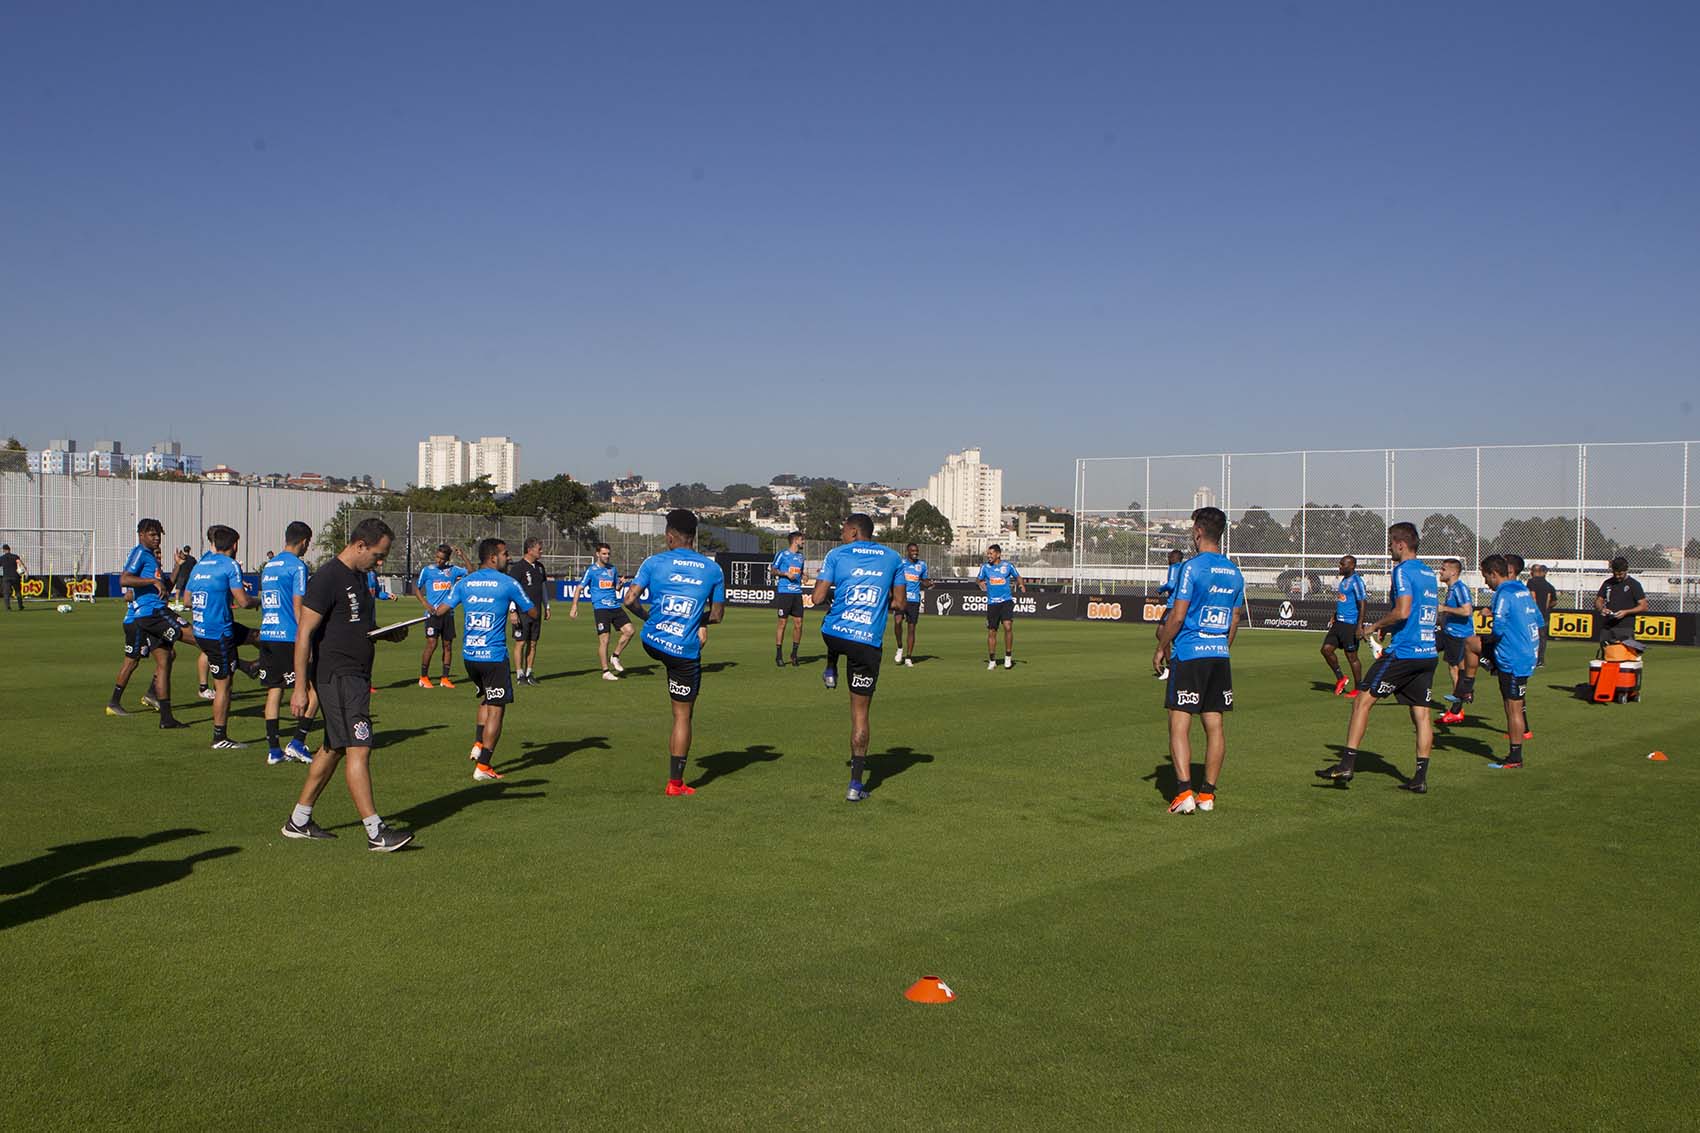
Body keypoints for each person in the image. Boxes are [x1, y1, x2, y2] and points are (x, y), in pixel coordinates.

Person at [280, 517, 415, 851]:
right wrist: (300, 687)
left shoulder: (360, 577)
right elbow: (304, 633)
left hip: (356, 673)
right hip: (337, 675)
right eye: (378, 555)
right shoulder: (327, 577)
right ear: (359, 545)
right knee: (359, 745)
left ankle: (299, 820)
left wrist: (388, 634)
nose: (380, 562)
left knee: (334, 748)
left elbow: (356, 627)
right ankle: (376, 832)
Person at [1316, 522, 1440, 794]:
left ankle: (1346, 764)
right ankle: (1420, 778)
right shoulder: (1429, 573)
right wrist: (1389, 626)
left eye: (1390, 543)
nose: (1389, 548)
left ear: (1400, 544)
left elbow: (1404, 610)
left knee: (1362, 700)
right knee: (1421, 715)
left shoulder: (1403, 571)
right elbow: (1418, 613)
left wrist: (1373, 627)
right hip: (1427, 652)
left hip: (1404, 652)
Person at [621, 510, 725, 796]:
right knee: (682, 716)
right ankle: (675, 784)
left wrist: (648, 618)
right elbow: (716, 616)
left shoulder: (654, 562)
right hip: (683, 651)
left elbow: (629, 599)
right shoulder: (712, 569)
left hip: (652, 641)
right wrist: (697, 622)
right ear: (694, 536)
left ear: (669, 536)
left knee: (667, 658)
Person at [1152, 507, 1244, 815]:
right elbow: (1234, 618)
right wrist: (1220, 646)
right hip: (1219, 655)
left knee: (1179, 723)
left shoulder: (1191, 568)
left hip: (1190, 654)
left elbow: (1177, 616)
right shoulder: (1234, 571)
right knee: (1214, 725)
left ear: (1198, 532)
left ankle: (1183, 793)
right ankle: (1208, 795)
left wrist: (1161, 647)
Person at [813, 514, 906, 802]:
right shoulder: (894, 558)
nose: (841, 534)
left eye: (843, 530)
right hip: (867, 643)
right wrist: (880, 601)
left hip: (835, 635)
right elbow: (900, 603)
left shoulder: (835, 554)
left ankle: (830, 667)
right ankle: (855, 785)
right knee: (860, 715)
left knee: (831, 627)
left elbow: (816, 599)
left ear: (854, 532)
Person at [434, 538, 535, 781]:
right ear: (493, 557)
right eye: (505, 554)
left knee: (485, 699)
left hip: (470, 656)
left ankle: (478, 744)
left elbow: (440, 610)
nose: (508, 558)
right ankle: (484, 766)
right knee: (497, 709)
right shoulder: (508, 582)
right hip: (494, 656)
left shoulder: (465, 582)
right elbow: (532, 611)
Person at [107, 518, 192, 727]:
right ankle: (115, 702)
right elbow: (124, 580)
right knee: (133, 660)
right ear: (142, 535)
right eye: (152, 535)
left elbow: (165, 587)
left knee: (167, 657)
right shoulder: (140, 553)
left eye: (159, 535)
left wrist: (177, 566)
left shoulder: (151, 560)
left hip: (150, 614)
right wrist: (153, 581)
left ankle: (162, 710)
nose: (157, 539)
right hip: (144, 617)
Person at [187, 525, 263, 750]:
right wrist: (259, 601)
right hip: (219, 632)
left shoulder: (201, 564)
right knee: (224, 686)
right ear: (235, 545)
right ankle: (220, 738)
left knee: (258, 636)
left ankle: (262, 666)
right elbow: (243, 602)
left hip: (202, 628)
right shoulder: (230, 565)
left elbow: (187, 599)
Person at [258, 523, 318, 766]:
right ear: (303, 541)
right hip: (289, 637)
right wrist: (307, 640)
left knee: (274, 690)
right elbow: (297, 605)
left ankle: (273, 750)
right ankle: (297, 741)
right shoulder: (297, 567)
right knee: (315, 690)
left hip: (267, 633)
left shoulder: (269, 566)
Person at [1480, 554, 1541, 770]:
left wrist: (1488, 643)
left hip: (1513, 658)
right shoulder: (1522, 590)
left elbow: (1498, 628)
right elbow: (1539, 620)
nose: (1485, 582)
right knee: (1511, 704)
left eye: (1486, 577)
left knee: (1513, 706)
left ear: (1494, 574)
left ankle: (1516, 756)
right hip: (1524, 654)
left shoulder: (1503, 593)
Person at [570, 542, 633, 681]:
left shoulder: (613, 569)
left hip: (615, 606)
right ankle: (605, 671)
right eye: (604, 553)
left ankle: (615, 656)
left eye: (608, 554)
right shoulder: (592, 570)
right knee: (605, 640)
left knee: (630, 631)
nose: (607, 556)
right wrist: (575, 606)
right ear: (597, 554)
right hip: (601, 609)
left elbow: (615, 588)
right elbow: (579, 588)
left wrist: (620, 585)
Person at [414, 544, 469, 688]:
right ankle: (423, 677)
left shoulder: (453, 570)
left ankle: (445, 678)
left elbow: (472, 572)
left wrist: (462, 555)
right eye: (437, 557)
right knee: (432, 644)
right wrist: (426, 604)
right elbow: (417, 588)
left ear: (447, 559)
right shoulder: (427, 571)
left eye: (442, 559)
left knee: (448, 646)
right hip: (432, 615)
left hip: (448, 614)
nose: (439, 561)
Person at [1436, 558, 1482, 725]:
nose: (1440, 572)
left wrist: (1444, 609)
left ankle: (1457, 708)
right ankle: (1462, 696)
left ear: (1453, 572)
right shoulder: (1451, 588)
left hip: (1459, 635)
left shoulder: (1459, 588)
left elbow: (1467, 611)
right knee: (1454, 666)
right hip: (1449, 632)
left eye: (1443, 569)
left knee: (1456, 668)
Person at [1321, 554, 1367, 697]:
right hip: (1339, 623)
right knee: (1326, 650)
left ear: (1351, 566)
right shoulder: (1343, 581)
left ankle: (1358, 688)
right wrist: (1335, 614)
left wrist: (1360, 626)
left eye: (1343, 564)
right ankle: (1341, 678)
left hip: (1350, 625)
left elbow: (1363, 603)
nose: (1340, 566)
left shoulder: (1357, 581)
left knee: (1352, 657)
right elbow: (1344, 600)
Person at [507, 537, 551, 685]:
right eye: (539, 549)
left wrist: (547, 606)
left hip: (536, 611)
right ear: (530, 549)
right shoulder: (518, 568)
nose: (541, 551)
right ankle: (519, 675)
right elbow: (511, 590)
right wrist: (512, 610)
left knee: (533, 643)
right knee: (520, 642)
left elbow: (543, 587)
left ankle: (529, 672)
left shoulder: (540, 567)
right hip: (521, 612)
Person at [977, 544, 1025, 670]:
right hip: (992, 603)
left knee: (1008, 626)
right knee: (992, 630)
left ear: (998, 554)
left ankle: (1008, 657)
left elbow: (1018, 577)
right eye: (988, 554)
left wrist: (1021, 585)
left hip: (1006, 601)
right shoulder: (985, 568)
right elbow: (978, 579)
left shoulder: (1007, 566)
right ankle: (992, 660)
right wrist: (980, 582)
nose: (989, 556)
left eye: (991, 553)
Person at [770, 531, 806, 668]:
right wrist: (785, 573)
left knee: (798, 623)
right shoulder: (782, 554)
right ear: (795, 540)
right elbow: (773, 570)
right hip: (784, 592)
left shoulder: (801, 557)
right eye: (802, 540)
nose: (803, 542)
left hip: (797, 593)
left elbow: (799, 572)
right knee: (782, 624)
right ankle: (779, 655)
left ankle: (794, 654)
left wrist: (803, 575)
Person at [1595, 556, 1648, 645]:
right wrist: (1602, 609)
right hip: (1608, 626)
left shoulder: (1634, 584)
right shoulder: (1607, 583)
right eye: (1616, 574)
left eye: (1621, 574)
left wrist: (1626, 612)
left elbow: (1643, 606)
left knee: (1624, 655)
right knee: (1607, 655)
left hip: (1625, 627)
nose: (1618, 577)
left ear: (1626, 571)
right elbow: (1598, 600)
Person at [894, 543, 932, 667]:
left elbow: (924, 580)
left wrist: (928, 583)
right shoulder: (901, 564)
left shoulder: (922, 565)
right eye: (913, 550)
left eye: (917, 550)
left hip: (914, 600)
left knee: (911, 629)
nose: (915, 552)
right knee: (898, 622)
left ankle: (909, 657)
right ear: (908, 552)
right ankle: (900, 647)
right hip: (901, 599)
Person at [1152, 549, 1185, 680]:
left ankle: (1170, 666)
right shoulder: (1184, 567)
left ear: (1173, 558)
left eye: (1169, 557)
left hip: (1173, 606)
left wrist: (1160, 589)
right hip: (1180, 604)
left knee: (1162, 633)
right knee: (1166, 635)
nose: (1168, 559)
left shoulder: (1174, 567)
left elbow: (1171, 585)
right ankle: (1171, 665)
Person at [1527, 564, 1559, 668]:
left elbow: (1532, 597)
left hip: (1532, 614)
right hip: (1544, 615)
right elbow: (1554, 602)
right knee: (1542, 637)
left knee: (1529, 636)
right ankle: (1540, 660)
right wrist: (1547, 607)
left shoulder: (1531, 582)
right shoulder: (1549, 586)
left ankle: (1530, 659)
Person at [1, 543, 26, 610]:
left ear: (3, 550)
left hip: (6, 577)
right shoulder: (15, 556)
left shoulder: (2, 558)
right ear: (9, 549)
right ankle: (20, 606)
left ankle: (8, 607)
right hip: (15, 577)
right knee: (18, 592)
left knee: (6, 593)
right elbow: (20, 563)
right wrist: (25, 570)